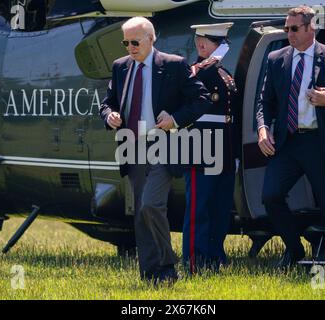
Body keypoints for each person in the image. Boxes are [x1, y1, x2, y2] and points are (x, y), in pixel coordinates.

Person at [99, 17, 210, 284]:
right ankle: (151, 274)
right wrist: (110, 115)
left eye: (135, 42)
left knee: (151, 204)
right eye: (125, 42)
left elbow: (201, 99)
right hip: (132, 145)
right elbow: (107, 103)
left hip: (163, 145)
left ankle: (168, 267)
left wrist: (175, 119)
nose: (130, 47)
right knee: (141, 212)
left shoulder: (173, 65)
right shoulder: (120, 67)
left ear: (151, 39)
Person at [256, 6, 325, 273]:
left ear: (311, 28)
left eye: (294, 28)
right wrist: (263, 129)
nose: (288, 33)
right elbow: (264, 102)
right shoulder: (276, 58)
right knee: (270, 196)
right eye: (286, 29)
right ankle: (294, 248)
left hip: (320, 142)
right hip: (288, 142)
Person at [182, 22, 239, 274]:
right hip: (200, 144)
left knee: (220, 206)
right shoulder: (195, 70)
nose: (202, 45)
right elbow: (191, 80)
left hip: (224, 145)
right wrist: (209, 62)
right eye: (199, 41)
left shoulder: (225, 74)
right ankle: (194, 261)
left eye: (210, 42)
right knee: (199, 206)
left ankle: (215, 257)